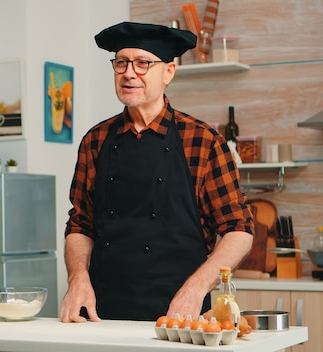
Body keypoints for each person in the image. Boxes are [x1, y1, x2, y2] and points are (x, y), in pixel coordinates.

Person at [59, 22, 254, 323]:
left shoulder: (202, 142)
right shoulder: (95, 141)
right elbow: (80, 225)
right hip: (101, 315)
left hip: (180, 317)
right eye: (121, 62)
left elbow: (238, 229)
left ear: (168, 73)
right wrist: (77, 279)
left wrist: (197, 288)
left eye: (142, 63)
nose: (128, 73)